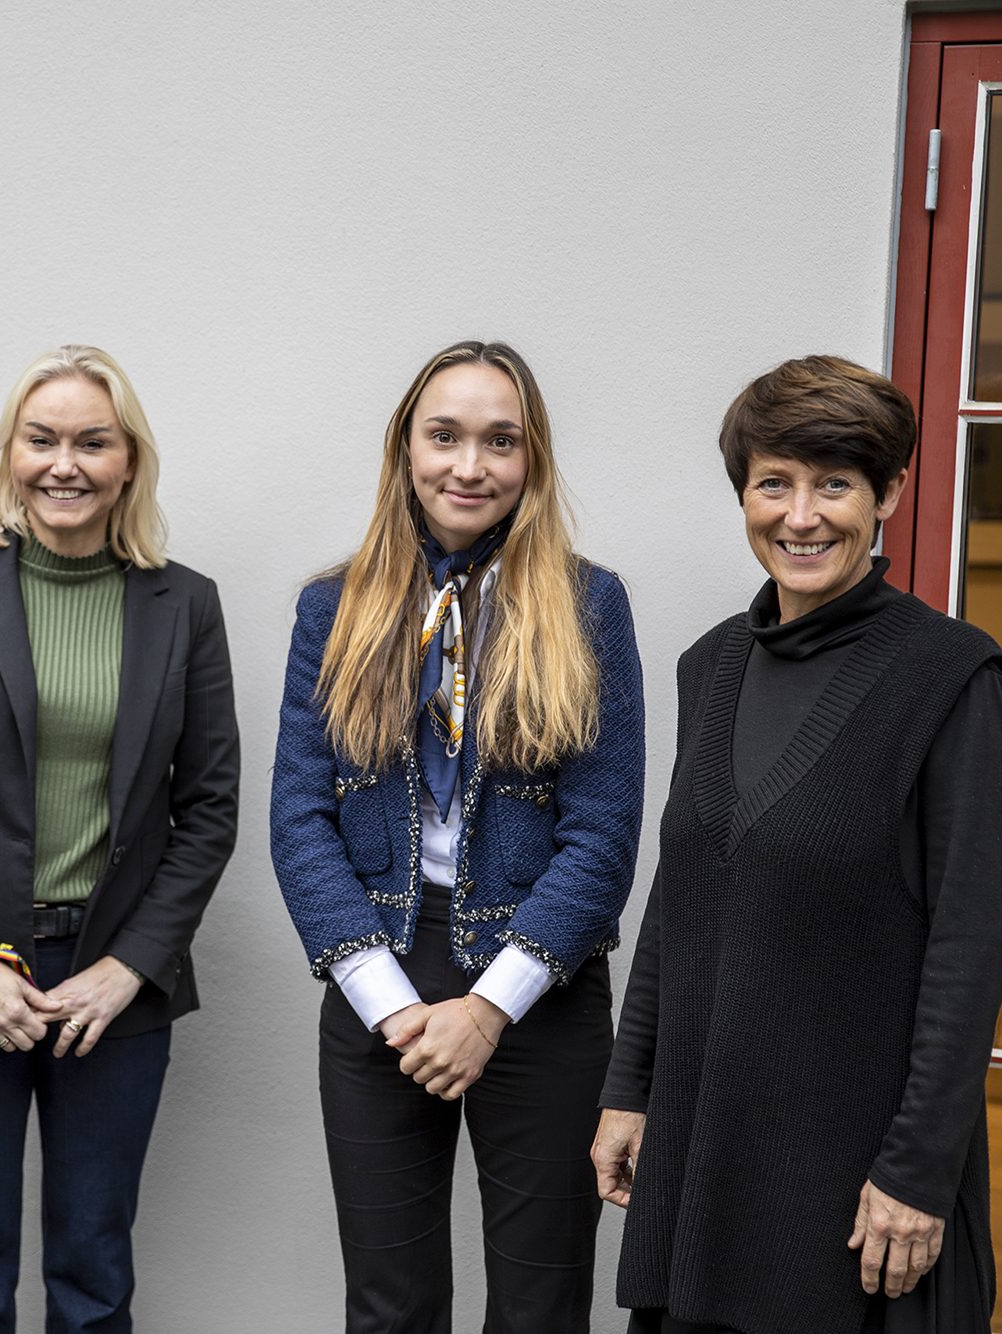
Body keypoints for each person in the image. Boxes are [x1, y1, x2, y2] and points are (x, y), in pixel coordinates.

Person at [590, 355, 1002, 1334]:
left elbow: (967, 953)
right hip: (707, 1154)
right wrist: (629, 1088)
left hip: (852, 1178)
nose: (799, 515)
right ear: (742, 492)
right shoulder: (710, 665)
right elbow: (676, 897)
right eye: (772, 482)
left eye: (833, 483)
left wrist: (915, 1170)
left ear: (888, 493)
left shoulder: (950, 680)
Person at [0, 344, 239, 1333]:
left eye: (90, 441)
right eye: (40, 439)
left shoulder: (183, 603)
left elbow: (208, 807)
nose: (62, 462)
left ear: (127, 463)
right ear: (8, 454)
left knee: (93, 1267)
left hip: (112, 978)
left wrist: (130, 968)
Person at [272, 340, 646, 1332]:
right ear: (405, 449)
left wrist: (487, 1007)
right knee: (388, 1305)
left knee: (540, 1301)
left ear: (533, 460)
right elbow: (297, 817)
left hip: (540, 988)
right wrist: (393, 1009)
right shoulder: (332, 605)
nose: (467, 466)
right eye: (443, 436)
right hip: (377, 978)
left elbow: (601, 839)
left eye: (498, 441)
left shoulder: (587, 605)